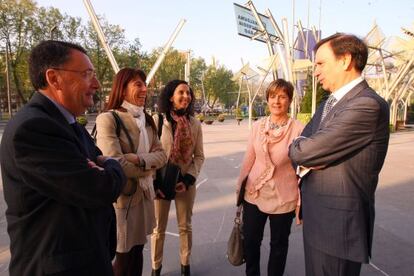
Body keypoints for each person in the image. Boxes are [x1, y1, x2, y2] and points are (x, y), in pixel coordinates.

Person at [0, 40, 126, 276]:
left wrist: (102, 165)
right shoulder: (34, 128)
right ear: (54, 78)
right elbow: (101, 187)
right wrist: (112, 165)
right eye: (87, 74)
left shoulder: (66, 121)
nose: (96, 84)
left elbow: (97, 162)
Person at [288, 33, 390, 276]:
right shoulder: (328, 103)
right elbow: (302, 149)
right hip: (317, 219)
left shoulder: (367, 105)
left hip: (338, 229)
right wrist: (305, 154)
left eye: (321, 64)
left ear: (345, 60)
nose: (316, 72)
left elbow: (304, 150)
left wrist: (304, 151)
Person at [95, 68, 167, 276]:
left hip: (145, 196)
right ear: (122, 88)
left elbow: (162, 156)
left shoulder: (148, 119)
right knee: (123, 258)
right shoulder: (108, 119)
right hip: (124, 201)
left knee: (137, 252)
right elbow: (115, 164)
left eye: (145, 84)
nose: (144, 89)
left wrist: (138, 159)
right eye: (138, 84)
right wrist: (147, 164)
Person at [236, 79, 304, 276]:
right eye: (273, 96)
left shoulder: (299, 129)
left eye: (282, 96)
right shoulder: (258, 127)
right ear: (267, 99)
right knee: (250, 242)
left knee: (279, 245)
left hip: (284, 197)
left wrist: (303, 200)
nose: (277, 101)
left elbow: (303, 166)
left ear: (290, 100)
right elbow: (249, 158)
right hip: (254, 194)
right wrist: (240, 187)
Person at [151, 80, 205, 276]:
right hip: (161, 183)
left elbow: (199, 156)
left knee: (185, 226)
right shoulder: (157, 121)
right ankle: (156, 268)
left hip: (185, 182)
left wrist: (189, 179)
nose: (186, 96)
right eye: (181, 92)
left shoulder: (194, 123)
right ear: (171, 97)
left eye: (189, 93)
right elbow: (151, 153)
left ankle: (185, 266)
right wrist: (155, 182)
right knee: (158, 229)